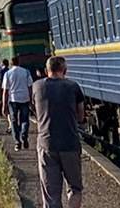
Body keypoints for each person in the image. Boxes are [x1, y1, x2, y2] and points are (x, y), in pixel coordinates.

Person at [33, 56, 85, 208]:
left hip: (46, 144)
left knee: (51, 195)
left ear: (45, 71)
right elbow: (80, 116)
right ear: (65, 70)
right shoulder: (73, 86)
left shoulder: (37, 87)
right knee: (75, 189)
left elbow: (36, 110)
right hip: (70, 143)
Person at [2, 55, 34, 151]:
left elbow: (5, 91)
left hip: (13, 100)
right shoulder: (26, 72)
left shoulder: (7, 74)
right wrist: (31, 100)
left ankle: (17, 142)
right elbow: (30, 87)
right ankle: (24, 134)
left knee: (14, 121)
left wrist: (4, 105)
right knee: (25, 119)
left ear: (11, 64)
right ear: (19, 62)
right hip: (24, 98)